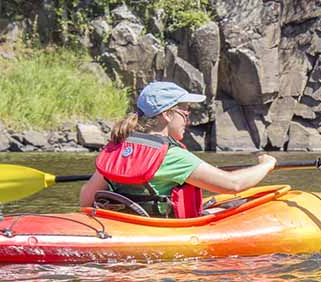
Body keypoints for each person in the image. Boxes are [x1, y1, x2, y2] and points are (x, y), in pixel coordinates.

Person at [79, 81, 276, 218]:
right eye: (184, 112)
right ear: (166, 114)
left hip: (123, 225)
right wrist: (267, 165)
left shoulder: (117, 148)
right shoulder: (173, 156)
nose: (188, 119)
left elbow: (86, 200)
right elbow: (234, 184)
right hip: (158, 232)